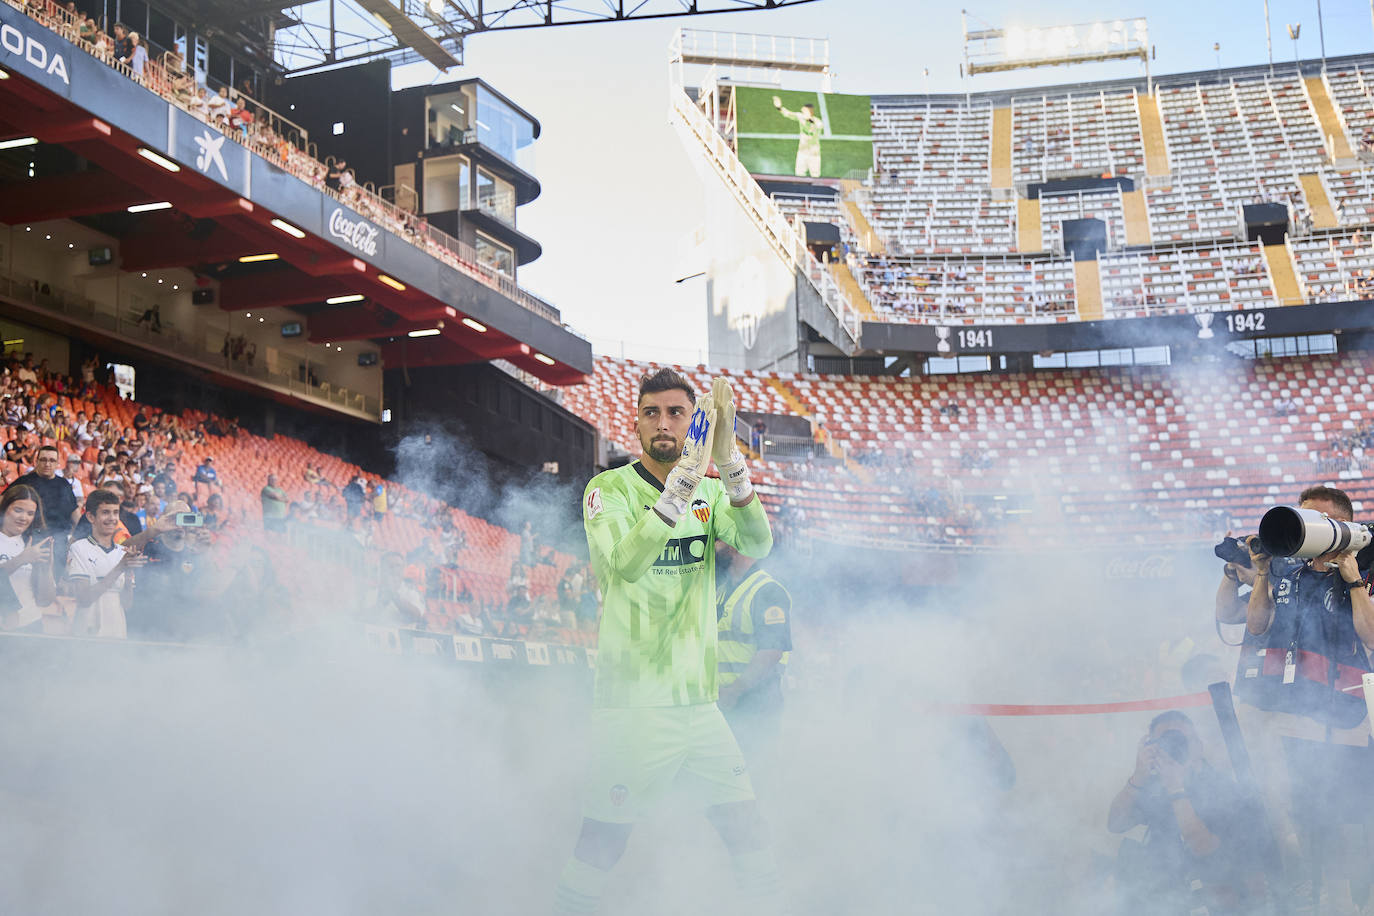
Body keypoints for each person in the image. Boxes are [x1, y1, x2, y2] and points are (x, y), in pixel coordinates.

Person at [553, 369, 780, 915]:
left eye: (677, 413)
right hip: (633, 702)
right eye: (651, 412)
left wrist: (730, 467)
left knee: (745, 827)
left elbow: (758, 541)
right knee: (605, 840)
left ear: (691, 421)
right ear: (634, 419)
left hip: (698, 703)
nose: (663, 423)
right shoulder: (606, 490)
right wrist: (680, 485)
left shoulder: (710, 492)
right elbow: (623, 566)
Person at [1237, 485, 1374, 903]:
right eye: (1302, 516)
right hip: (1287, 717)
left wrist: (1352, 580)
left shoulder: (1366, 569)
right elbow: (1257, 625)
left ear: (1341, 525)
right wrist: (1262, 570)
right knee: (1289, 821)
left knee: (1344, 830)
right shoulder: (1284, 568)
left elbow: (1371, 637)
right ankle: (1304, 899)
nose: (1304, 528)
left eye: (1315, 520)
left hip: (1345, 721)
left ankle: (1347, 902)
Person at [1108, 711, 1269, 916]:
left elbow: (1203, 848)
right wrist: (1138, 777)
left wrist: (1175, 789)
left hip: (1222, 902)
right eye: (1165, 742)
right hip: (1168, 900)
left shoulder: (1226, 790)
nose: (1175, 747)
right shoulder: (1155, 786)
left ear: (1198, 746)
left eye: (1182, 740)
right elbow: (1115, 824)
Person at [715, 543, 792, 767]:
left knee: (754, 778)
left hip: (753, 705)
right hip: (723, 703)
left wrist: (734, 691)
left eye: (723, 541)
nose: (717, 547)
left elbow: (771, 652)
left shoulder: (767, 590)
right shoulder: (722, 589)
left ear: (739, 547)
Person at [67, 490, 146, 639]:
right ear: (91, 517)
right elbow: (84, 599)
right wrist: (120, 568)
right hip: (87, 635)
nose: (112, 518)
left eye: (115, 513)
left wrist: (128, 576)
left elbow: (127, 605)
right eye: (105, 512)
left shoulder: (123, 552)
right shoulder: (79, 548)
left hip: (117, 633)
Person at [9, 444, 80, 571]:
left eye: (52, 460)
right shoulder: (24, 481)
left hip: (59, 544)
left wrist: (77, 539)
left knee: (53, 585)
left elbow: (76, 515)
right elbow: (3, 503)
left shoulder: (64, 484)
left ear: (58, 463)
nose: (47, 464)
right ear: (37, 461)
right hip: (29, 542)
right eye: (43, 460)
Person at [0, 484, 56, 631]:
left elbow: (45, 601)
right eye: (18, 510)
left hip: (31, 624)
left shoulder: (34, 544)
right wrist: (22, 559)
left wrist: (47, 569)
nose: (23, 518)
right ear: (5, 508)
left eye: (30, 513)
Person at [771, 95, 823, 178]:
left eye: (804, 111)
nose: (802, 112)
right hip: (802, 153)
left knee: (815, 177)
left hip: (814, 155)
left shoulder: (818, 122)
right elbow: (788, 113)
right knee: (799, 175)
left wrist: (809, 119)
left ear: (810, 112)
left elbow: (819, 126)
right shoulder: (800, 117)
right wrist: (779, 107)